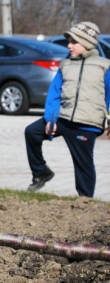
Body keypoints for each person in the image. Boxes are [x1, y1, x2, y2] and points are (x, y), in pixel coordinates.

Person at [25, 22, 110, 198]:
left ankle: (85, 202)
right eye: (69, 41)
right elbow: (54, 94)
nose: (69, 45)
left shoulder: (105, 66)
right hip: (62, 119)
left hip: (86, 124)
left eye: (74, 42)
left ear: (86, 43)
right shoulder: (66, 65)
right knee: (32, 132)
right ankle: (41, 172)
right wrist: (51, 119)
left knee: (83, 165)